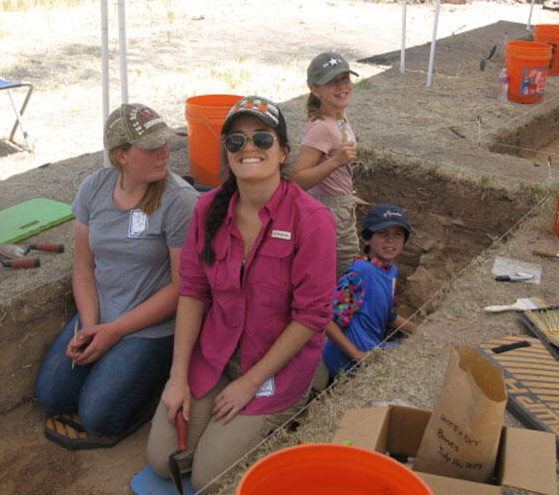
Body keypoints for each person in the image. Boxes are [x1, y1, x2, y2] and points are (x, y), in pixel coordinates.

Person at [146, 96, 337, 492]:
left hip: (274, 370)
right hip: (216, 356)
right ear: (227, 154)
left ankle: (306, 386)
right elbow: (193, 291)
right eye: (236, 141)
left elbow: (311, 316)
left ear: (284, 151)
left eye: (262, 139)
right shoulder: (208, 209)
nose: (248, 148)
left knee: (205, 478)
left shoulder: (313, 221)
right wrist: (177, 376)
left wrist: (249, 383)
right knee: (164, 462)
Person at [34, 103, 198, 449]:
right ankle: (118, 374)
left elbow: (182, 286)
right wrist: (91, 327)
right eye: (153, 147)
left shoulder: (179, 200)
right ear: (121, 155)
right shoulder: (94, 188)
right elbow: (83, 267)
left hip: (151, 328)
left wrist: (115, 331)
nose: (165, 153)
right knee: (51, 396)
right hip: (102, 314)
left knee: (98, 417)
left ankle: (149, 390)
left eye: (166, 143)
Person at [292, 51, 370, 277]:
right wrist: (336, 161)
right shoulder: (321, 127)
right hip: (330, 213)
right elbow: (299, 180)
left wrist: (347, 195)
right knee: (344, 269)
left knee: (347, 265)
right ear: (315, 89)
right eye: (332, 82)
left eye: (344, 79)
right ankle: (336, 311)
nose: (342, 87)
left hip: (340, 204)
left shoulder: (338, 115)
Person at [322, 204, 418, 380]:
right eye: (383, 233)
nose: (391, 240)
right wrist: (357, 354)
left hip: (371, 349)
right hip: (348, 360)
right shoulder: (360, 272)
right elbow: (327, 320)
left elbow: (389, 316)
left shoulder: (392, 271)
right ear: (367, 239)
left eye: (398, 234)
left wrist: (421, 332)